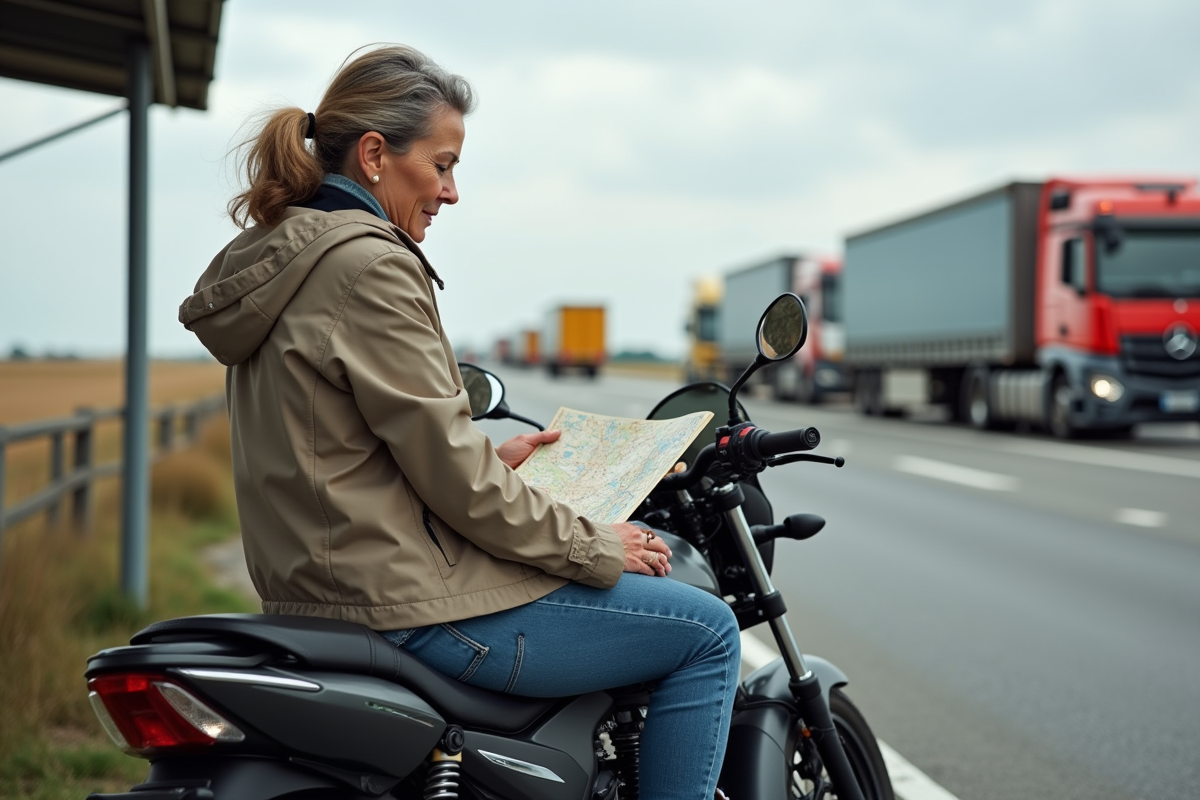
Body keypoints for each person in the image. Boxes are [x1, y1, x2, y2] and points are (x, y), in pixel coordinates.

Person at [179, 45, 739, 800]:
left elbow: (339, 454)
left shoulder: (287, 262)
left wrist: (493, 463)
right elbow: (456, 482)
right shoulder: (370, 266)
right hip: (408, 603)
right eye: (441, 165)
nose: (450, 192)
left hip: (323, 591)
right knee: (708, 633)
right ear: (374, 155)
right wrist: (595, 545)